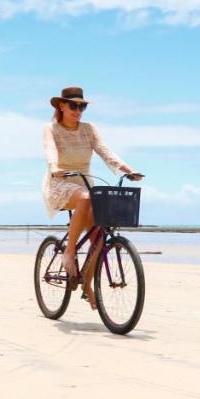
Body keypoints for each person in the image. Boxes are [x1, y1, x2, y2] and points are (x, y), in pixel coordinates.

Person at [42, 87, 143, 307]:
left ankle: (86, 284)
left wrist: (127, 169)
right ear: (61, 106)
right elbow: (50, 149)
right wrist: (54, 167)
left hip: (84, 183)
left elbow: (105, 150)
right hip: (60, 182)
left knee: (99, 235)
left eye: (82, 106)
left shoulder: (89, 129)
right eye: (74, 105)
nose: (79, 110)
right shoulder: (51, 129)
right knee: (86, 198)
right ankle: (69, 253)